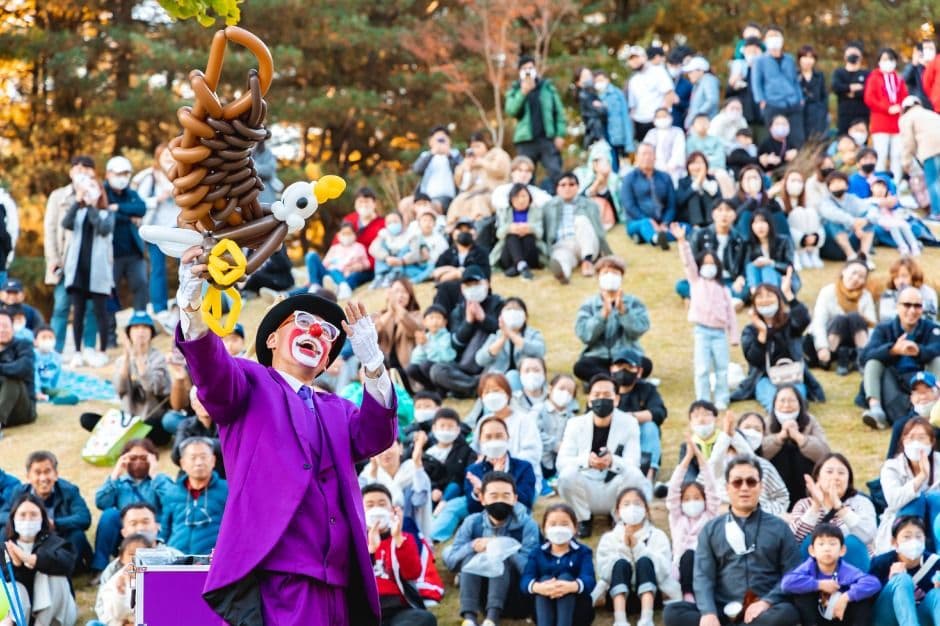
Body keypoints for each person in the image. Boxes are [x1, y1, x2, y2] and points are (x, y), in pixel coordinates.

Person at [175, 232, 400, 626]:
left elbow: (377, 435)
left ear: (330, 358)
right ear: (273, 337)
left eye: (328, 334)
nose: (317, 333)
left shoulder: (340, 408)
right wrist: (191, 308)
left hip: (340, 580)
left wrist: (374, 365)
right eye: (304, 322)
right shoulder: (249, 381)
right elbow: (211, 371)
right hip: (282, 575)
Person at [663, 455, 802, 626]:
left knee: (787, 613)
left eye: (751, 482)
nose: (744, 488)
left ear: (761, 487)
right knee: (673, 613)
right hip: (723, 609)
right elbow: (703, 576)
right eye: (737, 482)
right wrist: (708, 612)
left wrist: (768, 601)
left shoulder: (779, 527)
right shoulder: (711, 529)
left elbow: (793, 573)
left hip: (763, 610)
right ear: (727, 488)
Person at [557, 374, 650, 538]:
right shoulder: (575, 424)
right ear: (589, 399)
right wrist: (587, 461)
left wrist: (612, 461)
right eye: (597, 395)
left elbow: (633, 463)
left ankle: (619, 517)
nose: (602, 399)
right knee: (566, 476)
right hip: (585, 487)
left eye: (607, 395)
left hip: (614, 486)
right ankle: (583, 518)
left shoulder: (629, 423)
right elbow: (562, 462)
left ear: (616, 399)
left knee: (635, 475)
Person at [443, 471, 540, 626]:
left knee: (499, 556)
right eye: (494, 496)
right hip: (480, 590)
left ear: (515, 499)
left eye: (506, 495)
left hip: (515, 592)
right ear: (482, 498)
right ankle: (469, 618)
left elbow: (530, 568)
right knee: (471, 556)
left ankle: (492, 619)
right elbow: (452, 562)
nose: (500, 500)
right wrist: (472, 546)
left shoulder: (527, 525)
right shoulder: (472, 522)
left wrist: (502, 547)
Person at [81, 311, 172, 445]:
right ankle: (128, 437)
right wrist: (127, 357)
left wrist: (139, 358)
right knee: (86, 419)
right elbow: (120, 389)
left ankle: (122, 439)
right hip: (127, 419)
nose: (140, 332)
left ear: (151, 333)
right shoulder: (121, 361)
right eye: (136, 328)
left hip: (151, 418)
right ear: (129, 333)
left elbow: (151, 387)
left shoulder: (158, 359)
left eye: (145, 328)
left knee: (161, 432)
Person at [673, 224, 738, 409]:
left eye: (712, 264)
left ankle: (721, 398)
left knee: (722, 368)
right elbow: (687, 262)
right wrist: (682, 241)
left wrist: (733, 336)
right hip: (701, 331)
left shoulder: (723, 288)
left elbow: (731, 313)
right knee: (701, 368)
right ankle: (702, 399)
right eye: (705, 263)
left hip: (719, 333)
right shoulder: (695, 282)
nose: (708, 267)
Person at [595, 488, 679, 626]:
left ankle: (647, 619)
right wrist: (625, 548)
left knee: (645, 561)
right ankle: (620, 620)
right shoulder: (609, 538)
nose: (632, 508)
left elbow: (664, 570)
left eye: (637, 504)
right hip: (618, 596)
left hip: (652, 595)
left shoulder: (657, 535)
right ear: (618, 511)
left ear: (646, 510)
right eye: (626, 504)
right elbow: (604, 572)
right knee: (620, 563)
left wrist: (638, 547)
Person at [861, 287, 940, 429]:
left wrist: (919, 351)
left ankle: (934, 408)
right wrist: (893, 350)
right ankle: (876, 409)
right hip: (892, 378)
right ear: (897, 306)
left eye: (917, 306)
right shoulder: (883, 328)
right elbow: (865, 356)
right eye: (907, 305)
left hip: (921, 378)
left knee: (937, 360)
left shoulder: (932, 328)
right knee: (872, 362)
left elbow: (936, 348)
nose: (912, 310)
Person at [1, 451, 91, 573]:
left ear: (56, 474)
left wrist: (55, 523)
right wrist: (22, 519)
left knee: (77, 534)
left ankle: (69, 570)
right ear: (28, 477)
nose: (43, 478)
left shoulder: (69, 490)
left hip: (58, 539)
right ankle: (8, 570)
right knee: (3, 532)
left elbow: (84, 517)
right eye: (37, 473)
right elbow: (3, 514)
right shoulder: (19, 492)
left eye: (47, 472)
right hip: (30, 539)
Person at [733, 276, 814, 412]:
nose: (765, 300)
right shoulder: (750, 330)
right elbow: (754, 359)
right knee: (776, 404)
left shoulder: (789, 322)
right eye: (760, 297)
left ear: (778, 299)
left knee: (794, 402)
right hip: (764, 378)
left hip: (792, 375)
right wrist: (762, 332)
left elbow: (803, 319)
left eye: (770, 295)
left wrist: (789, 295)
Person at [91, 438, 173, 572]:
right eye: (133, 458)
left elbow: (173, 501)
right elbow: (101, 502)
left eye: (143, 457)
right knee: (109, 514)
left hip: (155, 536)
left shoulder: (161, 480)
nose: (138, 462)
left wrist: (155, 475)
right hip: (125, 536)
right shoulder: (118, 482)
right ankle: (100, 568)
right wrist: (115, 474)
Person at [360, 484, 437, 626]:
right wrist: (370, 550)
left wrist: (398, 539)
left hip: (398, 609)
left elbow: (413, 573)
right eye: (369, 505)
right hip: (365, 609)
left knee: (424, 619)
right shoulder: (354, 542)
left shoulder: (403, 538)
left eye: (382, 504)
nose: (376, 509)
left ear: (392, 510)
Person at [44, 155, 98, 356]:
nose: (82, 171)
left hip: (91, 261)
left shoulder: (98, 194)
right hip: (66, 261)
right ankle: (54, 351)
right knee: (61, 306)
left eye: (87, 167)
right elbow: (50, 230)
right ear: (70, 172)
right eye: (77, 167)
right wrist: (53, 259)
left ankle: (88, 348)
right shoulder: (59, 196)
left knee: (91, 307)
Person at [60, 170, 113, 368]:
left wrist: (91, 206)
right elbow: (65, 223)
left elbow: (102, 228)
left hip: (98, 274)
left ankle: (102, 351)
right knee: (78, 313)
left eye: (94, 188)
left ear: (100, 192)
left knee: (100, 313)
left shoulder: (107, 215)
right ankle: (77, 352)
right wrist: (78, 201)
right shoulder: (79, 212)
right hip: (78, 272)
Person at [790, 452, 878, 569]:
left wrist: (840, 508)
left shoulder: (860, 503)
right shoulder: (804, 505)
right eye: (829, 472)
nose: (835, 477)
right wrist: (815, 506)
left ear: (849, 479)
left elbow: (868, 535)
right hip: (814, 575)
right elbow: (793, 540)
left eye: (841, 473)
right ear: (818, 477)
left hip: (855, 570)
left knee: (851, 543)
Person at [2, 493, 78, 626]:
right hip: (19, 617)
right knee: (14, 586)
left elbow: (67, 564)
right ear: (13, 518)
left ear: (43, 518)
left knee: (53, 576)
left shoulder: (57, 543)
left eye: (33, 515)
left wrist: (31, 559)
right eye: (23, 515)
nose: (28, 520)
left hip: (56, 615)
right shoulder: (5, 547)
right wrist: (17, 565)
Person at [781, 524, 880, 626]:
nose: (827, 549)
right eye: (821, 544)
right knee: (802, 593)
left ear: (842, 550)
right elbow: (787, 583)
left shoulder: (846, 569)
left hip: (840, 615)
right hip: (814, 617)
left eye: (832, 544)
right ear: (812, 551)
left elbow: (873, 583)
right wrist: (819, 585)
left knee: (862, 600)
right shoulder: (808, 567)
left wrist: (846, 597)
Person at [573, 256, 650, 383]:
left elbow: (639, 330)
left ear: (621, 277)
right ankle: (620, 381)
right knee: (581, 367)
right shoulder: (589, 304)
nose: (610, 276)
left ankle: (601, 381)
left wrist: (623, 312)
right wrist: (602, 315)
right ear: (598, 277)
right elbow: (585, 335)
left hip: (626, 356)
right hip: (597, 356)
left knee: (646, 365)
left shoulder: (634, 302)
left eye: (615, 273)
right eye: (605, 273)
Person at [427, 268, 502, 398]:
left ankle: (463, 388)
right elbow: (455, 344)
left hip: (488, 361)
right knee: (437, 370)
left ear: (487, 284)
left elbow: (503, 332)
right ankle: (477, 386)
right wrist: (468, 322)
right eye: (468, 285)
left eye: (476, 284)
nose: (473, 288)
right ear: (462, 289)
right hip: (463, 366)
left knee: (485, 333)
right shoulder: (458, 311)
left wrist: (483, 319)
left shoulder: (497, 304)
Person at [521, 503, 595, 626]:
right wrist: (540, 587)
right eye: (553, 524)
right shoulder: (537, 553)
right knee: (545, 579)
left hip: (577, 612)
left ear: (575, 528)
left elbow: (589, 580)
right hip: (543, 609)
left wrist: (571, 586)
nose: (558, 528)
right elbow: (525, 580)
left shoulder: (583, 552)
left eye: (564, 524)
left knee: (566, 577)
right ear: (544, 529)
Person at [666, 434, 721, 600]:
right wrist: (687, 459)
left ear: (704, 500)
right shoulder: (677, 518)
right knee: (688, 556)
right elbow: (674, 488)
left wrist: (700, 457)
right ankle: (688, 596)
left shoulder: (709, 515)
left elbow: (711, 486)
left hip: (706, 566)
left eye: (697, 498)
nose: (692, 502)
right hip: (680, 570)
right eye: (687, 498)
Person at [706, 412, 791, 515]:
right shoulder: (713, 470)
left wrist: (759, 511)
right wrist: (726, 435)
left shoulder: (763, 466)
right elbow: (715, 461)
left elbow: (782, 497)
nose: (732, 454)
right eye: (728, 449)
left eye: (735, 449)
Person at [876, 417, 940, 553]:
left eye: (921, 438)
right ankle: (908, 553)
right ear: (903, 442)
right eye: (910, 438)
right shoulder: (892, 466)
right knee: (917, 500)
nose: (916, 443)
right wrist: (921, 477)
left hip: (936, 519)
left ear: (931, 441)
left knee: (934, 499)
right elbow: (894, 501)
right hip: (903, 519)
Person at [305, 186, 386, 294]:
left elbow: (381, 251)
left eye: (367, 201)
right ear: (355, 204)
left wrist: (360, 266)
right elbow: (336, 245)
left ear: (374, 203)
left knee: (351, 279)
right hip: (340, 266)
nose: (363, 205)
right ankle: (294, 293)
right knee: (315, 267)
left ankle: (336, 288)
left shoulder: (382, 224)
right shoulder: (349, 219)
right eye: (360, 201)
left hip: (364, 268)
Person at [760, 384, 831, 508]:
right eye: (782, 400)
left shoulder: (810, 421)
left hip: (805, 480)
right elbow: (759, 454)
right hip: (774, 484)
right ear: (774, 403)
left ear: (800, 403)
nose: (786, 405)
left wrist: (799, 437)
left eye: (791, 400)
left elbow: (824, 453)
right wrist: (780, 437)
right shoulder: (767, 422)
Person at [131, 143, 178, 326]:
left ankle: (185, 303)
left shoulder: (181, 173)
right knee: (158, 268)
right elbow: (139, 203)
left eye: (171, 155)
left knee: (186, 264)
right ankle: (160, 308)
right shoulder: (149, 177)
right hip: (156, 229)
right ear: (158, 158)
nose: (168, 159)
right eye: (165, 155)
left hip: (177, 227)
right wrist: (158, 199)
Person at [505, 55, 567, 186]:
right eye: (524, 68)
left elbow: (559, 112)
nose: (528, 71)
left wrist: (560, 134)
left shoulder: (547, 88)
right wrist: (522, 93)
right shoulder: (515, 89)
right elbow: (511, 110)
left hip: (547, 139)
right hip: (525, 141)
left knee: (556, 172)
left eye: (530, 67)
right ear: (519, 71)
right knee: (525, 177)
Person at [159, 437, 228, 555]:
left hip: (214, 560)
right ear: (182, 463)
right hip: (177, 560)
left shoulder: (228, 490)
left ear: (213, 461)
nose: (199, 462)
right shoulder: (172, 493)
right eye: (193, 458)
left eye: (203, 457)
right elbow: (165, 530)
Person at [807, 259, 876, 374]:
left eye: (861, 276)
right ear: (844, 271)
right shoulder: (828, 292)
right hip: (831, 338)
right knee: (840, 319)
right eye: (854, 273)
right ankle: (827, 358)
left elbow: (872, 325)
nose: (856, 278)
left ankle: (862, 358)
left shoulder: (865, 296)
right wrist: (822, 347)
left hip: (855, 337)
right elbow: (819, 322)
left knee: (854, 317)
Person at [870, 515, 940, 626]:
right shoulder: (880, 563)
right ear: (894, 542)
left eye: (918, 536)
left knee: (937, 594)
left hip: (920, 618)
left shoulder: (935, 563)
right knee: (902, 579)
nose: (914, 541)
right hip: (887, 619)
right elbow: (868, 600)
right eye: (907, 537)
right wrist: (890, 582)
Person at [542, 172, 611, 284]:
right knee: (561, 258)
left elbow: (599, 230)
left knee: (581, 220)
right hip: (562, 245)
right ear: (557, 188)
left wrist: (607, 253)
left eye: (571, 184)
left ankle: (587, 262)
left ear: (578, 187)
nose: (567, 188)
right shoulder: (548, 207)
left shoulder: (590, 205)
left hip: (585, 242)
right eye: (563, 185)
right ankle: (563, 274)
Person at [469, 375, 542, 477]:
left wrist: (506, 463)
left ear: (507, 393)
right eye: (487, 392)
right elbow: (476, 449)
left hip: (520, 475)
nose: (492, 396)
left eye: (496, 390)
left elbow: (532, 453)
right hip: (489, 475)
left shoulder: (524, 420)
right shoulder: (483, 421)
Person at [676, 200, 747, 303]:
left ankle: (701, 299)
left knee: (745, 290)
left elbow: (744, 265)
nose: (724, 214)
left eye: (728, 210)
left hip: (728, 280)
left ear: (734, 215)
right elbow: (693, 261)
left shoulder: (739, 239)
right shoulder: (700, 234)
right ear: (713, 214)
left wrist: (740, 278)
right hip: (705, 279)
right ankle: (724, 300)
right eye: (720, 210)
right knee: (681, 285)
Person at [611, 349, 667, 479]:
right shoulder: (606, 389)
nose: (623, 371)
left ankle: (647, 474)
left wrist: (630, 418)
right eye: (619, 366)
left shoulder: (647, 389)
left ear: (639, 371)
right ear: (612, 369)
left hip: (640, 438)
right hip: (612, 437)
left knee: (650, 427)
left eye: (629, 367)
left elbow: (659, 413)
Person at [104, 155, 148, 314]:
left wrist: (118, 208)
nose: (122, 178)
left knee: (141, 284)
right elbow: (106, 216)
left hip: (133, 253)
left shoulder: (130, 193)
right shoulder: (102, 192)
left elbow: (142, 208)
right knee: (108, 293)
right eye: (118, 174)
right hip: (111, 255)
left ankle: (141, 320)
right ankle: (109, 334)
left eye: (125, 174)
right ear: (108, 174)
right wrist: (129, 216)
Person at [473, 299, 545, 393]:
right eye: (508, 309)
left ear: (525, 317)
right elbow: (480, 360)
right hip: (498, 381)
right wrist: (502, 339)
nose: (513, 313)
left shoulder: (533, 335)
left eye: (517, 309)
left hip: (526, 381)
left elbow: (540, 351)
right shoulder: (495, 336)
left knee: (512, 375)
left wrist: (512, 335)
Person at [752, 25, 806, 148]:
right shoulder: (760, 60)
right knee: (774, 138)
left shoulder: (789, 59)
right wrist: (761, 100)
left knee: (797, 137)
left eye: (776, 36)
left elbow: (794, 80)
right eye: (770, 36)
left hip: (792, 102)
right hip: (772, 103)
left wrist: (800, 98)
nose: (774, 39)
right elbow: (757, 82)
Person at [865, 48, 909, 183]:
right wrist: (887, 108)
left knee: (897, 155)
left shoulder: (898, 78)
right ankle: (879, 184)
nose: (888, 63)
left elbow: (904, 96)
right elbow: (869, 99)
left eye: (891, 59)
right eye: (884, 59)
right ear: (878, 61)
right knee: (881, 155)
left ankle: (896, 184)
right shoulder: (874, 77)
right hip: (880, 122)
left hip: (897, 123)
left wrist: (901, 106)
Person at [621, 142, 676, 249]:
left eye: (650, 154)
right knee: (645, 225)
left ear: (655, 157)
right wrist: (651, 222)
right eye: (643, 154)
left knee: (686, 228)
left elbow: (671, 206)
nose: (647, 157)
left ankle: (644, 237)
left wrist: (665, 223)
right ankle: (656, 239)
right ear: (637, 157)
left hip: (662, 222)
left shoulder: (665, 177)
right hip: (638, 222)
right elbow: (629, 206)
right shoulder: (629, 179)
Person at [91, 533, 154, 626]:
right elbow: (115, 614)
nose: (136, 559)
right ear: (121, 558)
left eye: (142, 555)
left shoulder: (153, 578)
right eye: (131, 554)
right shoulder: (116, 581)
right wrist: (120, 594)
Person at [817, 171, 875, 263]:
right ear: (828, 188)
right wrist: (854, 223)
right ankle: (851, 256)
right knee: (833, 222)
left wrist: (865, 220)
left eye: (839, 181)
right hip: (832, 244)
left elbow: (871, 209)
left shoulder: (852, 198)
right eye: (833, 183)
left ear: (847, 185)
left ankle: (864, 256)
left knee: (869, 221)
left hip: (851, 238)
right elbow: (833, 214)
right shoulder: (825, 201)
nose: (836, 185)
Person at [490, 184, 544, 279]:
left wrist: (530, 229)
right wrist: (509, 228)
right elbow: (499, 234)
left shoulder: (536, 212)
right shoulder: (505, 212)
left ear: (529, 198)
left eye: (524, 196)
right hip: (508, 255)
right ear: (511, 199)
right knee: (511, 236)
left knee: (528, 237)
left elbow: (540, 234)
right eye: (517, 196)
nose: (521, 200)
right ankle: (521, 266)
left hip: (530, 254)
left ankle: (518, 266)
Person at [309, 222, 372, 300]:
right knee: (311, 255)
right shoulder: (334, 248)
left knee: (337, 271)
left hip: (345, 274)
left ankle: (339, 286)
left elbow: (367, 264)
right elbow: (324, 264)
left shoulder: (358, 247)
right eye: (344, 233)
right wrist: (331, 263)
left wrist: (354, 267)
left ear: (354, 234)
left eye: (349, 233)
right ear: (339, 235)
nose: (346, 236)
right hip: (329, 273)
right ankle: (315, 285)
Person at [899, 95, 940, 218]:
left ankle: (937, 212)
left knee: (933, 182)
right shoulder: (931, 114)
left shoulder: (906, 118)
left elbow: (908, 143)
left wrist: (906, 162)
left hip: (930, 151)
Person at [170, 386, 224, 478]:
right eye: (198, 400)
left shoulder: (224, 422)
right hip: (194, 473)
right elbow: (176, 455)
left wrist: (197, 443)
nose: (204, 404)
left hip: (222, 473)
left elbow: (231, 447)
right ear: (193, 405)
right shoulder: (186, 424)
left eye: (207, 399)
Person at [625, 46, 676, 142]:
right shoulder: (633, 80)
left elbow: (669, 94)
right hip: (639, 123)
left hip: (657, 122)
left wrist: (663, 115)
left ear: (644, 57)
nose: (634, 61)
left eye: (637, 57)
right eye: (631, 59)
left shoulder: (658, 71)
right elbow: (632, 107)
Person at [743, 209, 798, 297]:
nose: (760, 227)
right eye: (756, 223)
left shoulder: (784, 240)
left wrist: (770, 263)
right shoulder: (750, 244)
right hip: (760, 283)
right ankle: (756, 298)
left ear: (770, 224)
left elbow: (789, 266)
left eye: (763, 222)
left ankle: (772, 297)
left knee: (767, 269)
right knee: (751, 266)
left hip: (783, 279)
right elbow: (747, 268)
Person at [375, 278, 423, 377]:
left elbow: (415, 329)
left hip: (406, 369)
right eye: (396, 291)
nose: (400, 295)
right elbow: (373, 334)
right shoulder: (382, 315)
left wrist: (396, 307)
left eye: (405, 292)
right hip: (384, 367)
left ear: (410, 296)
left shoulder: (416, 315)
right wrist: (390, 311)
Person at [886, 371, 940, 459]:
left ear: (937, 394)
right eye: (918, 393)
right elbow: (890, 459)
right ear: (911, 397)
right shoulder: (901, 425)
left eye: (927, 391)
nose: (922, 397)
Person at [537, 374, 579, 481]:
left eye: (570, 391)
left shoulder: (572, 418)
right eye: (561, 388)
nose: (565, 393)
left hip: (560, 461)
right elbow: (534, 434)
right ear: (550, 388)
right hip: (541, 460)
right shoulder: (538, 410)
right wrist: (555, 444)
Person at [405, 305, 456, 393]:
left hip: (443, 369)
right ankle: (431, 388)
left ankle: (442, 389)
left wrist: (427, 344)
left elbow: (444, 357)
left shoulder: (446, 336)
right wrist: (422, 345)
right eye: (431, 318)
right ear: (424, 322)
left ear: (445, 322)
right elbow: (415, 360)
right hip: (428, 369)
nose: (435, 321)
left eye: (438, 318)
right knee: (411, 368)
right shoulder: (426, 337)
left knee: (426, 365)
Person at [411, 126, 462, 211]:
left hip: (447, 197)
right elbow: (417, 170)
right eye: (437, 139)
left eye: (443, 139)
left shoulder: (455, 154)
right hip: (424, 196)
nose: (440, 142)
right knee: (404, 205)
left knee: (431, 206)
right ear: (430, 141)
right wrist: (432, 153)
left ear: (449, 140)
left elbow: (462, 171)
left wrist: (448, 155)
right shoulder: (426, 155)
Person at [874, 257, 938, 322]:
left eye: (904, 276)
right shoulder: (889, 293)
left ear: (914, 276)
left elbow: (930, 317)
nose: (900, 281)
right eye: (896, 277)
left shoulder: (927, 292)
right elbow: (885, 317)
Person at [0, 310, 35, 429]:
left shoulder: (24, 345)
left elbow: (23, 368)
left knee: (12, 379)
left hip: (22, 408)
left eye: (5, 326)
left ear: (13, 328)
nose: (2, 330)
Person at [575, 144, 622, 230]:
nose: (607, 163)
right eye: (603, 161)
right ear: (594, 165)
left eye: (608, 160)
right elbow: (581, 199)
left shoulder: (616, 181)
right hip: (593, 217)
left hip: (611, 216)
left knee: (601, 202)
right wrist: (597, 182)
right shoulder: (588, 179)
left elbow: (620, 203)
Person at [593, 70, 634, 164]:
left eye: (601, 80)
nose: (599, 83)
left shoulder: (617, 94)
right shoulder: (594, 96)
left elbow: (625, 118)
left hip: (619, 138)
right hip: (604, 138)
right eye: (596, 81)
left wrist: (629, 143)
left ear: (607, 80)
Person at [832, 42, 870, 134]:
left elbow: (868, 91)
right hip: (844, 115)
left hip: (862, 115)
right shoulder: (839, 73)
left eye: (855, 53)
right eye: (850, 53)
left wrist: (851, 92)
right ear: (845, 56)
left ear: (861, 56)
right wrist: (851, 87)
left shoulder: (867, 74)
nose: (853, 55)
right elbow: (836, 87)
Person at [642, 108, 687, 184]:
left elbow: (679, 152)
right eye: (659, 117)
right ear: (654, 120)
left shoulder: (677, 132)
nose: (662, 119)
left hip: (673, 169)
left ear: (670, 118)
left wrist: (669, 166)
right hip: (654, 167)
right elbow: (646, 150)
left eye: (664, 116)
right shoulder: (651, 133)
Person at [798, 45, 829, 141]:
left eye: (811, 57)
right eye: (805, 57)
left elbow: (824, 95)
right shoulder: (795, 75)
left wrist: (823, 110)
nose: (808, 61)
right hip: (800, 113)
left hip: (817, 114)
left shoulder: (819, 76)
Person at [684, 56, 720, 129]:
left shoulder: (708, 79)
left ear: (700, 70)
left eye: (691, 72)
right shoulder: (698, 83)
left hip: (705, 126)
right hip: (697, 125)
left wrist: (697, 115)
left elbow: (712, 100)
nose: (689, 75)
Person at [574, 67, 606, 149]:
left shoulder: (593, 93)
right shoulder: (584, 96)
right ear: (578, 82)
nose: (589, 78)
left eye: (589, 75)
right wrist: (602, 107)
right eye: (585, 76)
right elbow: (600, 113)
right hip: (596, 135)